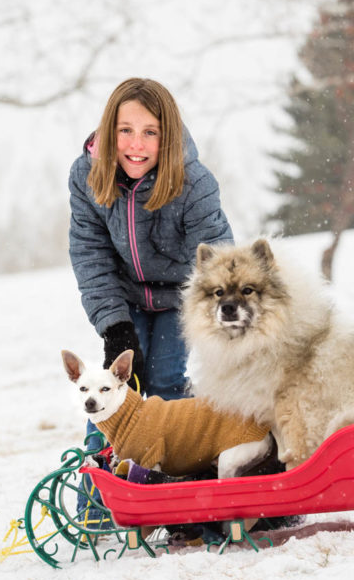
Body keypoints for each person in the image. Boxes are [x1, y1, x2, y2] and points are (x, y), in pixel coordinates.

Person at [68, 78, 234, 526]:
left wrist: (221, 319)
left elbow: (216, 256)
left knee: (163, 381)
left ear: (168, 135)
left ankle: (170, 500)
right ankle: (99, 508)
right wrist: (115, 327)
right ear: (108, 131)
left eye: (150, 132)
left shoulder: (193, 181)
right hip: (122, 298)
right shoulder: (86, 175)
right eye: (125, 130)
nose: (136, 144)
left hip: (179, 299)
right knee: (114, 393)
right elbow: (90, 253)